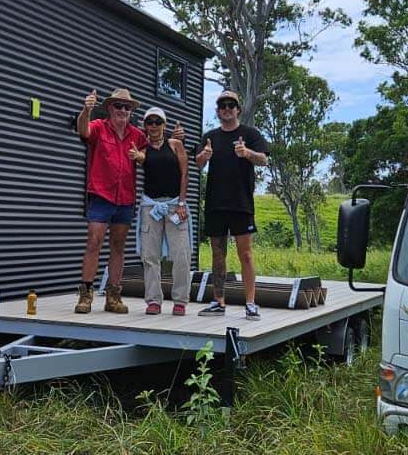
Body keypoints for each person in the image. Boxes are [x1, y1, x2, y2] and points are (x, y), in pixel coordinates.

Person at [193, 89, 270, 319]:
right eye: (222, 105)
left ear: (238, 109)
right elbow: (196, 163)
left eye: (231, 105)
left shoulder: (250, 134)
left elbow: (264, 160)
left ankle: (250, 303)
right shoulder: (211, 137)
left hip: (241, 203)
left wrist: (246, 153)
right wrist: (204, 156)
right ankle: (219, 302)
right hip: (216, 204)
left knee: (245, 254)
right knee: (218, 253)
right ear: (217, 111)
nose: (227, 108)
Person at [75, 87, 145, 314]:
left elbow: (154, 150)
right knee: (94, 241)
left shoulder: (137, 135)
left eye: (127, 107)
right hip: (101, 195)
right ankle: (85, 295)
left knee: (118, 245)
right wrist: (86, 110)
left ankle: (113, 296)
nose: (123, 110)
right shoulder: (99, 127)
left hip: (125, 197)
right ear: (109, 108)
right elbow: (82, 130)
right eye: (118, 106)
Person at [131, 106, 191, 316]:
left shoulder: (175, 145)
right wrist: (136, 156)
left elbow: (185, 174)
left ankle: (180, 300)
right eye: (150, 122)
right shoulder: (142, 149)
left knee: (181, 253)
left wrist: (182, 203)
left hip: (175, 205)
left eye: (158, 122)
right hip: (151, 206)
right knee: (149, 255)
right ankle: (153, 300)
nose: (154, 126)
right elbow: (136, 157)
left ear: (164, 125)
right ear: (145, 126)